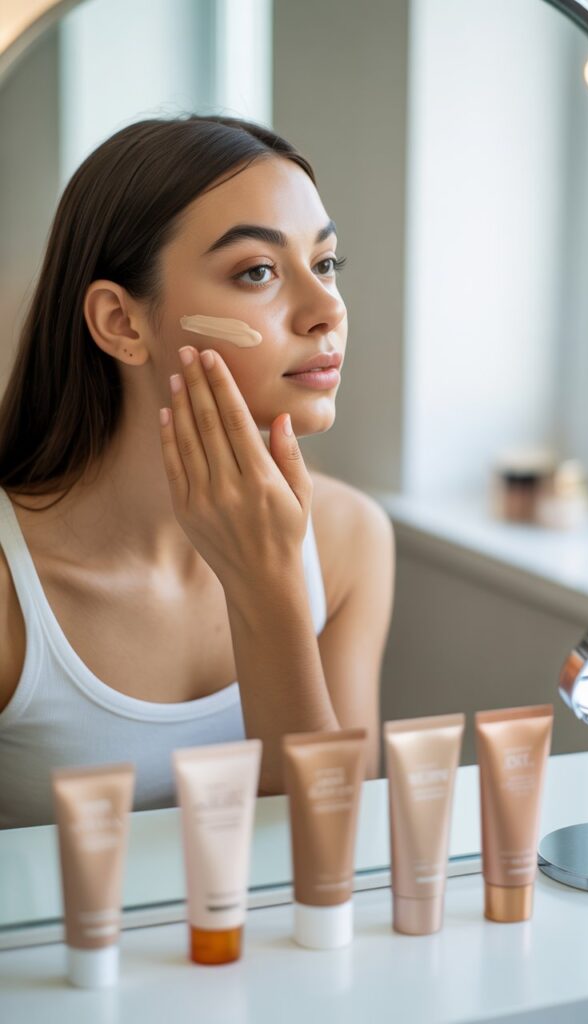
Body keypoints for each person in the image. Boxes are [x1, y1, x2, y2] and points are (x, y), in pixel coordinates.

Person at [0, 114, 395, 828]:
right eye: (258, 271)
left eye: (326, 263)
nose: (326, 310)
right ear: (121, 323)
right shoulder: (9, 590)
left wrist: (269, 586)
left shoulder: (347, 541)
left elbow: (333, 843)